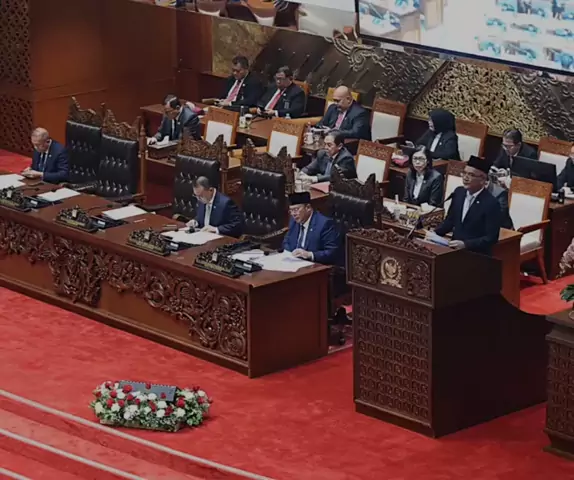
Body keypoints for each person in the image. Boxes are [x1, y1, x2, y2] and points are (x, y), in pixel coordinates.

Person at [429, 156, 502, 255]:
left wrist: (466, 244)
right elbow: (450, 221)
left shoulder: (491, 203)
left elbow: (491, 238)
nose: (465, 177)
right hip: (453, 250)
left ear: (482, 179)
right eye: (464, 173)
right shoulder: (459, 192)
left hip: (476, 255)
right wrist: (434, 233)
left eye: (471, 175)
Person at [283, 192, 342, 265]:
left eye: (296, 209)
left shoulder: (325, 224)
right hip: (295, 263)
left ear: (308, 207)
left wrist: (310, 254)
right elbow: (286, 241)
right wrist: (290, 253)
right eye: (291, 210)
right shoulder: (294, 221)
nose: (293, 214)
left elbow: (332, 252)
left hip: (317, 265)